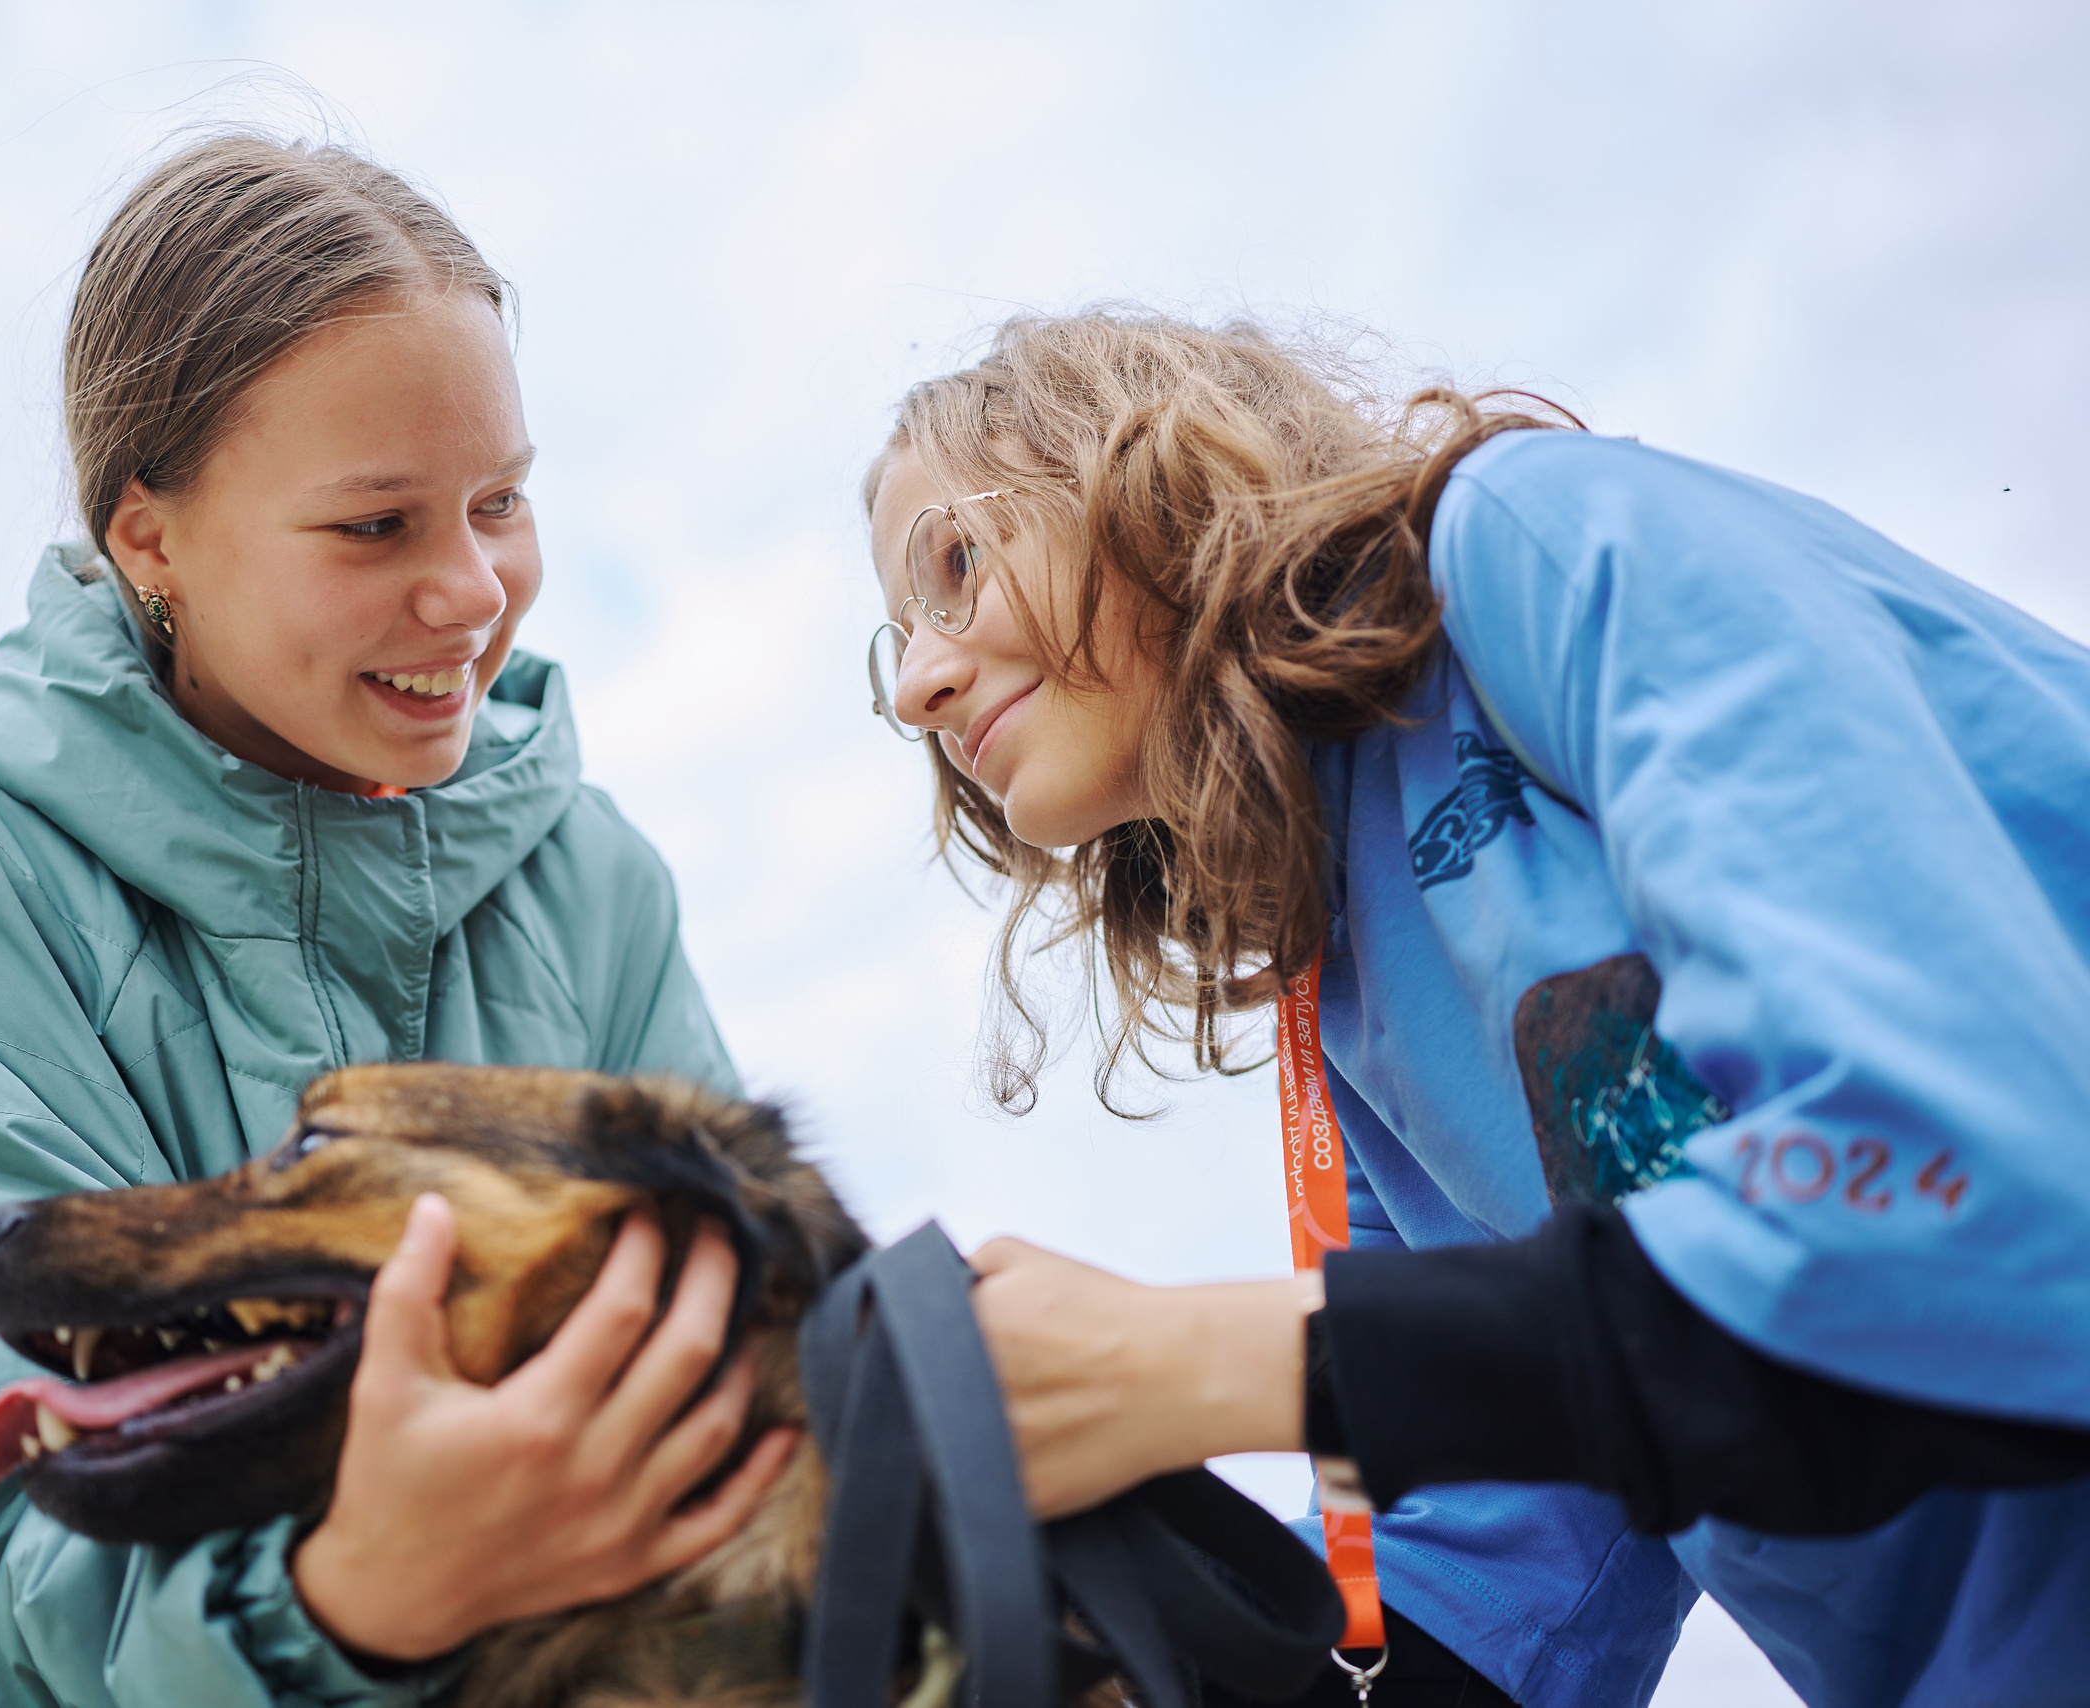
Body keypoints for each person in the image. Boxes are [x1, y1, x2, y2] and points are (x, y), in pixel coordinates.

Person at [863, 311, 2090, 1708]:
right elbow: (1527, 1554)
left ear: (1124, 466)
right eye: (892, 641)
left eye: (952, 565)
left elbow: (1981, 1180)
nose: (917, 687)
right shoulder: (1338, 1000)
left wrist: (1200, 1360)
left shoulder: (1527, 544)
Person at [0, 135, 794, 1708]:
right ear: (150, 537)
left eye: (498, 501)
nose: (471, 591)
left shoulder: (598, 889)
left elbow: (729, 1395)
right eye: (376, 526)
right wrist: (358, 1598)